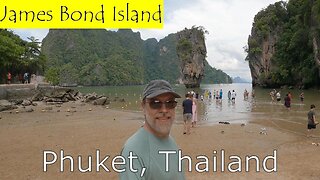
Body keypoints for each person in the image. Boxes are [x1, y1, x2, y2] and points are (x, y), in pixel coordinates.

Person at [119, 80, 185, 180]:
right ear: (143, 107)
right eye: (155, 103)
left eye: (170, 103)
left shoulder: (171, 141)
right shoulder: (133, 151)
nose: (164, 110)